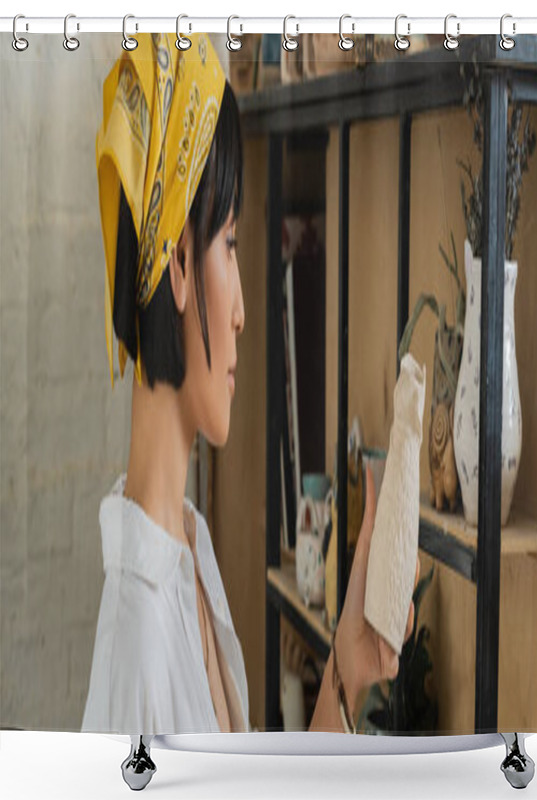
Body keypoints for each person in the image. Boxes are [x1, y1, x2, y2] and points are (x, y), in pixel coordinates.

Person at [81, 32, 418, 736]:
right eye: (229, 243)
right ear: (176, 263)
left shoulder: (187, 549)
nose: (239, 312)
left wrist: (347, 669)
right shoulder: (140, 643)